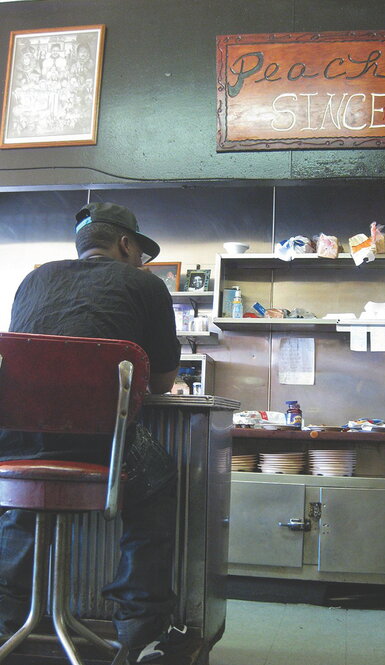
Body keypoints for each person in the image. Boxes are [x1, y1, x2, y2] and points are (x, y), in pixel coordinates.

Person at [0, 202, 187, 663]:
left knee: (26, 496)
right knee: (158, 480)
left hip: (19, 443)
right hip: (101, 444)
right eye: (139, 251)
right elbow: (162, 384)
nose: (140, 260)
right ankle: (140, 631)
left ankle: (5, 619)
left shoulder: (33, 280)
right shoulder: (146, 284)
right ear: (125, 244)